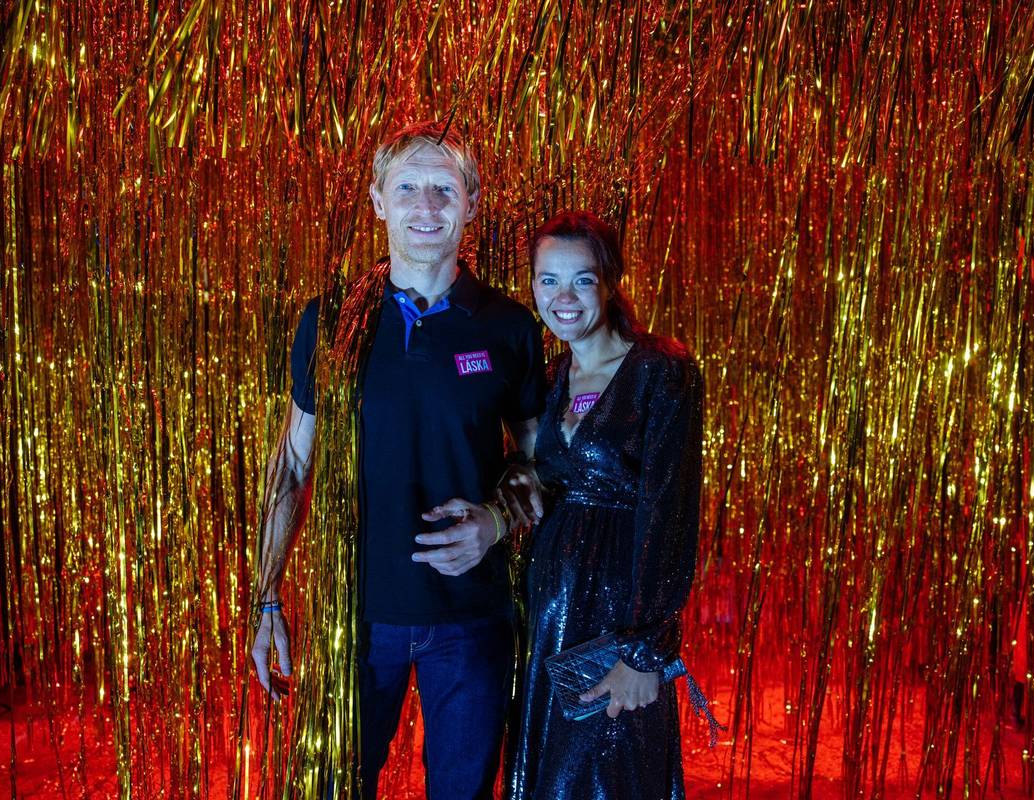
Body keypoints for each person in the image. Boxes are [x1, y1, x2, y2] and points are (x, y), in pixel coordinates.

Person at [249, 120, 546, 799]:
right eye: (408, 187)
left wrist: (497, 521)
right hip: (358, 618)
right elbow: (291, 467)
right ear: (379, 201)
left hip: (472, 621)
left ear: (473, 203)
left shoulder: (508, 326)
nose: (426, 206)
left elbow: (538, 462)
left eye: (445, 189)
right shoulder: (329, 321)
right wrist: (266, 598)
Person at [505, 211, 705, 798]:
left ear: (610, 281)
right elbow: (544, 480)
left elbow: (670, 512)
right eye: (548, 280)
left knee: (610, 772)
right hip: (549, 610)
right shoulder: (552, 377)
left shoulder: (661, 371)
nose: (563, 298)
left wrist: (644, 651)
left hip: (617, 614)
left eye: (583, 280)